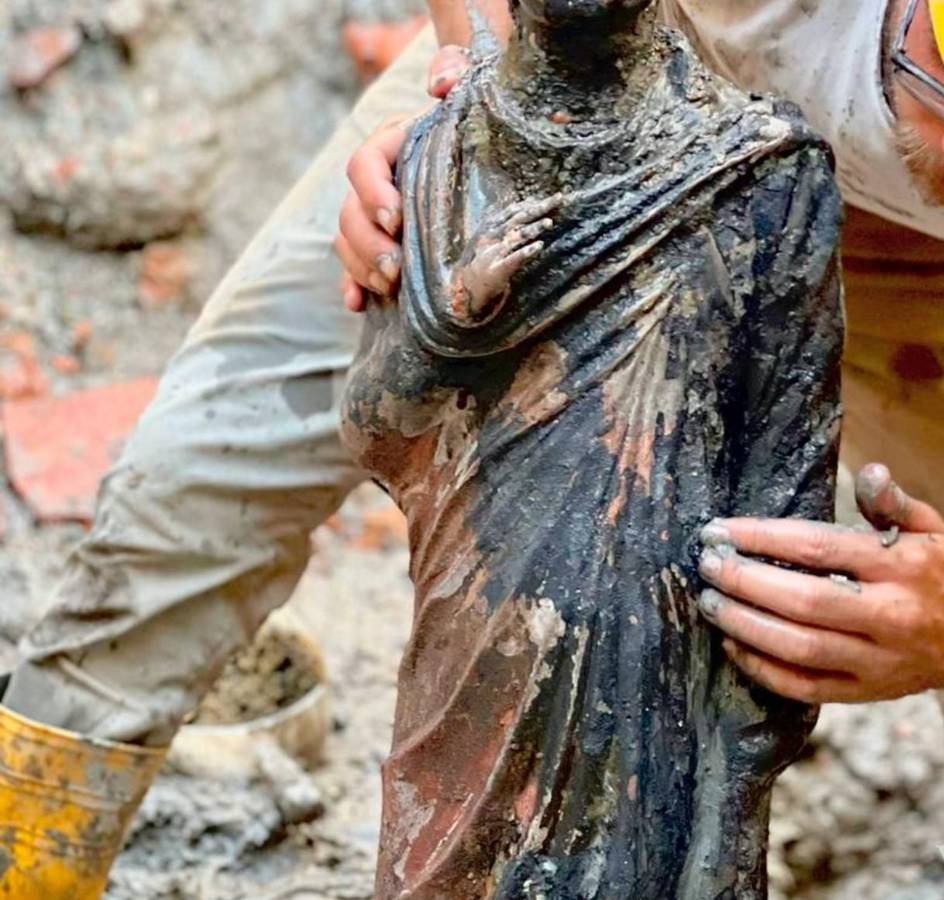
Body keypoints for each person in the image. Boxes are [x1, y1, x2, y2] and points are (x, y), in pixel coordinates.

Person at [0, 0, 944, 897]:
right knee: (198, 483)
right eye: (937, 77)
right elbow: (381, 411)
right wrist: (457, 121)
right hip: (580, 124)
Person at [342, 7, 843, 892]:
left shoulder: (760, 173)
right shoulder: (438, 161)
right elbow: (377, 426)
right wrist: (444, 326)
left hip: (654, 674)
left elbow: (784, 521)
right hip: (475, 656)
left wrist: (732, 808)